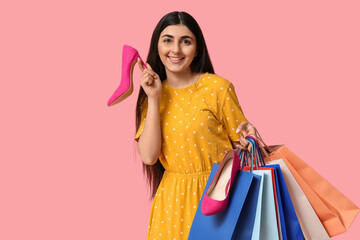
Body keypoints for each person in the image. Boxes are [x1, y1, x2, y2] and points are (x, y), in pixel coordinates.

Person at [134, 11, 256, 239]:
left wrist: (251, 137)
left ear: (197, 48)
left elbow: (245, 143)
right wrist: (153, 98)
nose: (176, 50)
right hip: (172, 204)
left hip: (218, 199)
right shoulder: (152, 95)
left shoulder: (217, 88)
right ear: (157, 46)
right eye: (168, 40)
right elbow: (149, 157)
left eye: (185, 41)